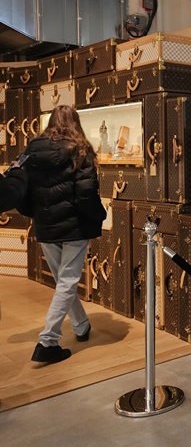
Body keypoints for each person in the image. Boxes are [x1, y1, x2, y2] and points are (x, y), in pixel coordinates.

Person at [18, 105, 106, 364]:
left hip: (46, 226)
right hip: (75, 226)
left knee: (64, 283)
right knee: (67, 282)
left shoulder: (31, 152)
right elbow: (86, 194)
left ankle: (81, 325)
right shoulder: (81, 150)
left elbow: (21, 190)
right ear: (75, 122)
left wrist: (36, 214)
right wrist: (99, 216)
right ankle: (48, 341)